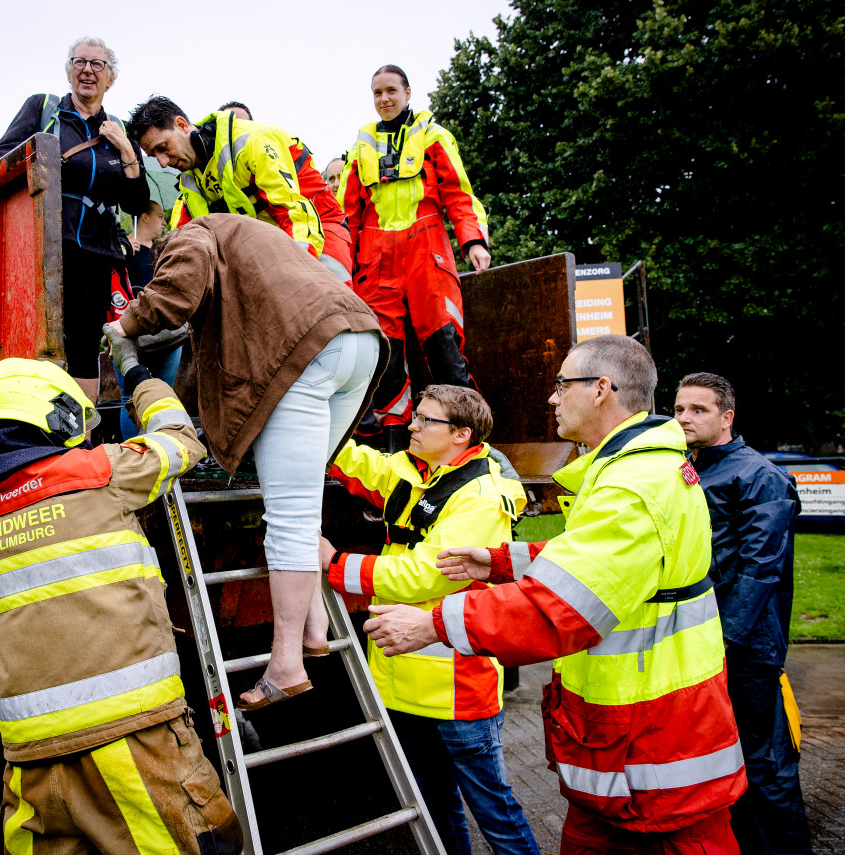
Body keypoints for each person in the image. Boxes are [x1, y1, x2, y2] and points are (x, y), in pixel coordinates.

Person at [365, 335, 747, 854]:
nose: (552, 397)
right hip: (634, 742)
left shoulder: (632, 484)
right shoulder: (635, 470)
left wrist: (433, 624)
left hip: (654, 751)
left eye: (562, 384)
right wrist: (502, 561)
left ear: (601, 389)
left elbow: (563, 606)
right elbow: (597, 560)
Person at [0, 357, 242, 855]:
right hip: (134, 743)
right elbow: (181, 439)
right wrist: (141, 380)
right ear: (58, 415)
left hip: (29, 766)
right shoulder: (99, 471)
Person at [104, 215, 387, 710]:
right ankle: (314, 627)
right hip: (359, 341)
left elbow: (175, 294)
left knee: (288, 518)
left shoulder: (193, 233)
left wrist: (122, 327)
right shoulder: (255, 236)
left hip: (310, 350)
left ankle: (286, 665)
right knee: (302, 506)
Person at [320, 385, 539, 855]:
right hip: (402, 678)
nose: (411, 426)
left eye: (424, 420)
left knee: (495, 814)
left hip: (458, 690)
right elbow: (364, 465)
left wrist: (335, 563)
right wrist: (319, 431)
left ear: (461, 434)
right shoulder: (416, 470)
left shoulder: (481, 496)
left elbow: (424, 575)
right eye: (415, 417)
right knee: (433, 804)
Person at [675, 372, 812, 855]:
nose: (685, 418)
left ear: (726, 417)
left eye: (699, 410)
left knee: (764, 764)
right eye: (679, 409)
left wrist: (725, 641)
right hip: (705, 641)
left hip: (747, 647)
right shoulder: (688, 470)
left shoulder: (758, 475)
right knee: (721, 761)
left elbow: (761, 568)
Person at [0, 37, 150, 405]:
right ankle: (35, 422)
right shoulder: (44, 109)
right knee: (41, 339)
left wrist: (126, 148)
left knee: (84, 346)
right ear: (69, 70)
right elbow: (2, 152)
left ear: (111, 78)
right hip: (47, 244)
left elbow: (135, 203)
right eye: (79, 61)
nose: (87, 70)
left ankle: (81, 431)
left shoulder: (119, 129)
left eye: (97, 64)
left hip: (97, 254)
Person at [338, 64, 491, 439]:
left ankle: (467, 432)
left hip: (426, 247)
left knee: (443, 343)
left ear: (407, 93)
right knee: (384, 354)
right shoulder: (360, 147)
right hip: (375, 258)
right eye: (377, 93)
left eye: (391, 90)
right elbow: (348, 214)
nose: (384, 99)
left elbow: (459, 193)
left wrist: (473, 240)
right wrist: (342, 268)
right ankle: (393, 441)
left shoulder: (433, 135)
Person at [127, 96, 353, 288]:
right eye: (154, 155)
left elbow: (295, 212)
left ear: (181, 125)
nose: (163, 162)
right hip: (267, 245)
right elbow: (183, 242)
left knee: (330, 305)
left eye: (163, 148)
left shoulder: (252, 140)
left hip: (319, 226)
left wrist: (295, 277)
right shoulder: (189, 181)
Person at [109, 200, 183, 441]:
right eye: (160, 216)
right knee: (132, 396)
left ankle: (157, 448)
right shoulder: (123, 250)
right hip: (129, 332)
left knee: (162, 393)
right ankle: (136, 450)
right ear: (143, 217)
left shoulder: (166, 252)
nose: (164, 222)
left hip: (164, 335)